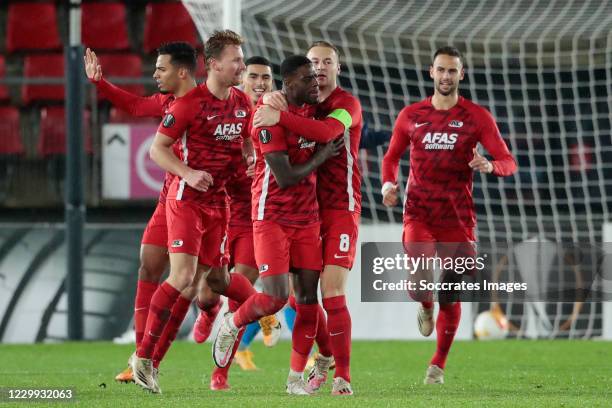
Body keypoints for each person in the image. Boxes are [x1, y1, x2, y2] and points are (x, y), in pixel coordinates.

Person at [84, 44, 222, 384]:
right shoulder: (169, 103)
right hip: (172, 200)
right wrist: (100, 84)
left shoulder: (209, 106)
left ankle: (166, 345)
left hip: (211, 205)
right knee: (149, 265)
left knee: (197, 286)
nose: (154, 75)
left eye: (161, 69)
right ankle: (141, 357)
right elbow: (133, 104)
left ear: (183, 71)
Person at [381, 46, 517, 384]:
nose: (446, 76)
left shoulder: (477, 117)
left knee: (452, 291)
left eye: (452, 71)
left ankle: (437, 365)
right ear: (431, 72)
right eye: (440, 70)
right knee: (420, 283)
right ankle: (424, 306)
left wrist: (490, 165)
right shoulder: (411, 115)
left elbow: (508, 161)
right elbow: (390, 158)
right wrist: (387, 186)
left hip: (458, 218)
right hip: (419, 213)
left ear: (461, 74)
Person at [131, 31, 256, 394]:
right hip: (185, 200)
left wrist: (247, 156)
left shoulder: (242, 103)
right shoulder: (189, 104)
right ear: (214, 64)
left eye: (242, 59)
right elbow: (157, 149)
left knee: (216, 281)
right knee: (183, 275)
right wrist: (188, 172)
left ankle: (261, 308)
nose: (242, 66)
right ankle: (145, 358)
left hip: (220, 205)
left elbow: (245, 139)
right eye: (236, 60)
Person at [212, 55, 343, 395]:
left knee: (308, 300)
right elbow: (285, 177)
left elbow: (332, 128)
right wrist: (321, 156)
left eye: (317, 78)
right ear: (289, 84)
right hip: (271, 216)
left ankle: (294, 379)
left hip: (308, 219)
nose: (315, 84)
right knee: (275, 298)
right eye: (307, 79)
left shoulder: (313, 113)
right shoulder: (267, 118)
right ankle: (233, 321)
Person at [253, 40, 362, 395]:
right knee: (303, 300)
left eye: (327, 61)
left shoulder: (346, 105)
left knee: (332, 294)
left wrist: (278, 114)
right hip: (308, 213)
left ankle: (342, 377)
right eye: (314, 62)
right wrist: (272, 104)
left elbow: (331, 133)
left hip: (342, 208)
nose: (319, 68)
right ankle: (324, 358)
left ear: (338, 68)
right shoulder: (301, 104)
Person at [228, 56, 281, 373]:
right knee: (217, 288)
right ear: (241, 78)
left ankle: (313, 352)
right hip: (230, 209)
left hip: (265, 211)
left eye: (266, 78)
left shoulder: (273, 113)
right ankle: (253, 331)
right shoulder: (228, 114)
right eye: (254, 77)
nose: (260, 83)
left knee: (284, 283)